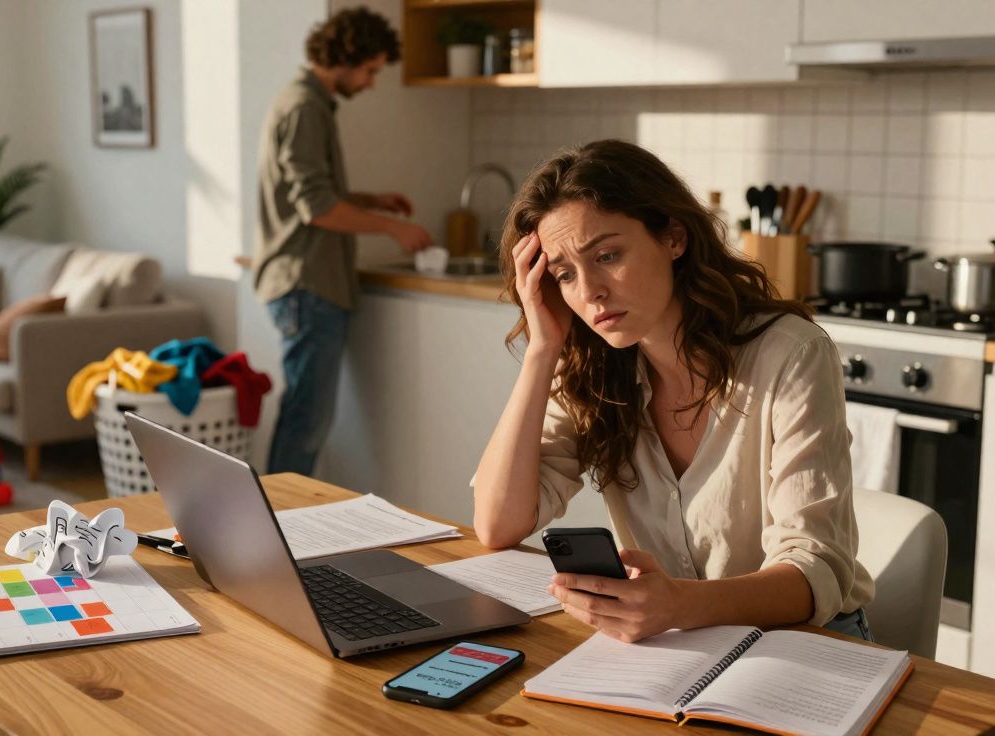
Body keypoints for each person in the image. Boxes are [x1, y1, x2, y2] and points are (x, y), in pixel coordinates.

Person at [473, 140, 874, 643]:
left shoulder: (790, 353)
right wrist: (542, 350)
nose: (590, 291)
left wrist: (677, 604)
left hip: (807, 641)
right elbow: (498, 525)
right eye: (565, 274)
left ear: (674, 238)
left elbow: (816, 571)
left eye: (608, 255)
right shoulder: (590, 367)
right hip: (680, 643)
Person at [255, 7, 433, 475]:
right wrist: (394, 228)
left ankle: (275, 526)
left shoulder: (306, 102)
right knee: (306, 422)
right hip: (307, 284)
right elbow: (316, 207)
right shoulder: (305, 107)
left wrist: (370, 200)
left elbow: (309, 193)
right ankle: (276, 530)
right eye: (371, 70)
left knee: (305, 418)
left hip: (307, 284)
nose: (372, 82)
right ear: (347, 58)